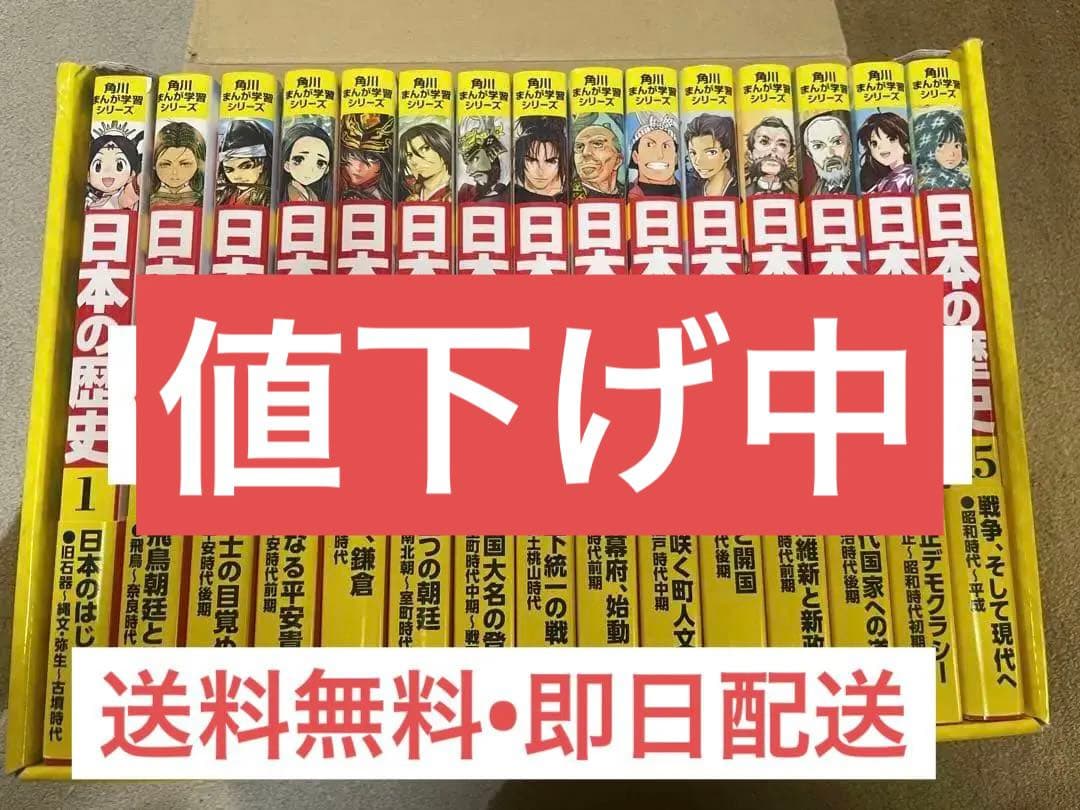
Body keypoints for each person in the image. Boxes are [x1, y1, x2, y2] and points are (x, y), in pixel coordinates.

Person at [216, 119, 273, 207]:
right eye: (229, 170)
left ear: (263, 164)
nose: (237, 176)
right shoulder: (222, 196)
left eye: (246, 166)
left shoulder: (271, 198)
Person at [339, 112, 394, 201]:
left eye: (371, 159)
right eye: (352, 155)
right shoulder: (335, 183)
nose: (358, 167)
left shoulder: (393, 190)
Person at [856, 111, 914, 194]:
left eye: (891, 139)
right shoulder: (882, 181)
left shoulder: (910, 177)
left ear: (907, 145)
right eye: (874, 143)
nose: (881, 147)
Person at [86, 127, 143, 210]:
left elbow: (130, 195)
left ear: (131, 175)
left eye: (120, 166)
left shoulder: (122, 197)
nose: (107, 171)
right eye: (98, 166)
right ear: (88, 175)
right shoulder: (88, 200)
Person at [913, 109, 970, 190]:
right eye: (940, 145)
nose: (951, 154)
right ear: (925, 146)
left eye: (957, 146)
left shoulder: (959, 178)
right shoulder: (930, 183)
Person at [151, 122, 205, 207]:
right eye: (165, 164)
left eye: (185, 164)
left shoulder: (207, 200)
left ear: (198, 164)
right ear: (154, 164)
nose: (175, 172)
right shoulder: (143, 199)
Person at [513, 116, 566, 203]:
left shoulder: (571, 196)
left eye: (551, 161)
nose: (540, 171)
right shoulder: (507, 197)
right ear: (520, 159)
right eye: (531, 160)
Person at [683, 113, 737, 197]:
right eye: (693, 153)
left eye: (711, 152)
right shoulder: (690, 191)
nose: (698, 161)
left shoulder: (740, 190)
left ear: (726, 155)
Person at [627, 113, 679, 199]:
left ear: (676, 158)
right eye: (649, 145)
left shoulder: (690, 191)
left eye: (666, 146)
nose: (660, 155)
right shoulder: (628, 194)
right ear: (635, 156)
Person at [457, 117, 509, 202]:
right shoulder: (467, 194)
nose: (469, 170)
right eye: (467, 163)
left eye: (475, 159)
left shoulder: (512, 192)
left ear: (492, 154)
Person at [571, 116, 624, 199]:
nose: (585, 153)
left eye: (597, 144)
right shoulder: (567, 196)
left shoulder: (630, 194)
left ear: (618, 160)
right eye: (579, 147)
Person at [743, 115, 798, 196]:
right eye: (764, 142)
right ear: (750, 154)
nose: (773, 148)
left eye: (782, 144)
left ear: (790, 157)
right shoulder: (743, 196)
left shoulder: (795, 196)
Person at [280, 121, 333, 203]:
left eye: (320, 163)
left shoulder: (312, 193)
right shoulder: (290, 193)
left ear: (327, 169)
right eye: (299, 159)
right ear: (286, 164)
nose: (310, 168)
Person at [399, 122, 453, 202]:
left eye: (425, 149)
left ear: (443, 148)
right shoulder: (409, 191)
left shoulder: (461, 192)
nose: (414, 161)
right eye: (409, 155)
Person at [801, 112, 853, 195]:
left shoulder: (863, 185)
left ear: (849, 147)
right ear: (810, 154)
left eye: (837, 142)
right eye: (818, 146)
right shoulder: (809, 192)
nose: (830, 154)